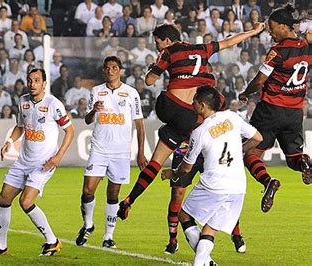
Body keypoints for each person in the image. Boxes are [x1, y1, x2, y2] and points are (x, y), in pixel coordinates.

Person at [116, 22, 264, 251]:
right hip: (199, 120)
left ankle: (130, 200)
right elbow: (230, 41)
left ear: (166, 40)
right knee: (219, 183)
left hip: (177, 112)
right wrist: (254, 32)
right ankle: (237, 236)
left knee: (159, 166)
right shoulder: (203, 48)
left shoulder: (168, 51)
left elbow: (149, 81)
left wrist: (160, 71)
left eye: (157, 41)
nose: (156, 46)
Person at [161, 86, 263, 265]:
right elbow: (257, 138)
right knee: (210, 230)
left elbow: (186, 167)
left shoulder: (199, 132)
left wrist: (172, 173)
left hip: (213, 184)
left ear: (202, 106)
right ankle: (206, 262)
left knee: (184, 215)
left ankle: (202, 262)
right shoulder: (232, 116)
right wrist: (240, 149)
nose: (192, 103)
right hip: (238, 186)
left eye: (194, 101)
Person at [0, 68, 74, 256]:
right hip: (23, 162)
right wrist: (9, 141)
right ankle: (1, 246)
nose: (32, 84)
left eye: (37, 80)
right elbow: (20, 126)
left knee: (25, 201)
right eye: (30, 80)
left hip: (43, 163)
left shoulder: (53, 104)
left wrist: (58, 157)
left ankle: (52, 241)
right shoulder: (23, 101)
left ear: (44, 84)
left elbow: (70, 131)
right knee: (3, 198)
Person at [238, 4, 312, 213]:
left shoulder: (277, 51)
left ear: (283, 26)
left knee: (251, 152)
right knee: (293, 158)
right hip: (295, 111)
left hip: (270, 110)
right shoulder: (307, 45)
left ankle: (268, 182)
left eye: (272, 27)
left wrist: (245, 93)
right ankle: (305, 164)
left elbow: (260, 80)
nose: (270, 31)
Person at [75, 56, 147, 249]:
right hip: (99, 149)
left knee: (113, 195)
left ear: (120, 70)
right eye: (107, 68)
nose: (110, 70)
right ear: (104, 71)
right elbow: (88, 120)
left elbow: (140, 125)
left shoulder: (131, 93)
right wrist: (94, 111)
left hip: (120, 152)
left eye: (114, 67)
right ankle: (88, 224)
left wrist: (141, 152)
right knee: (87, 190)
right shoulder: (96, 91)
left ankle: (108, 236)